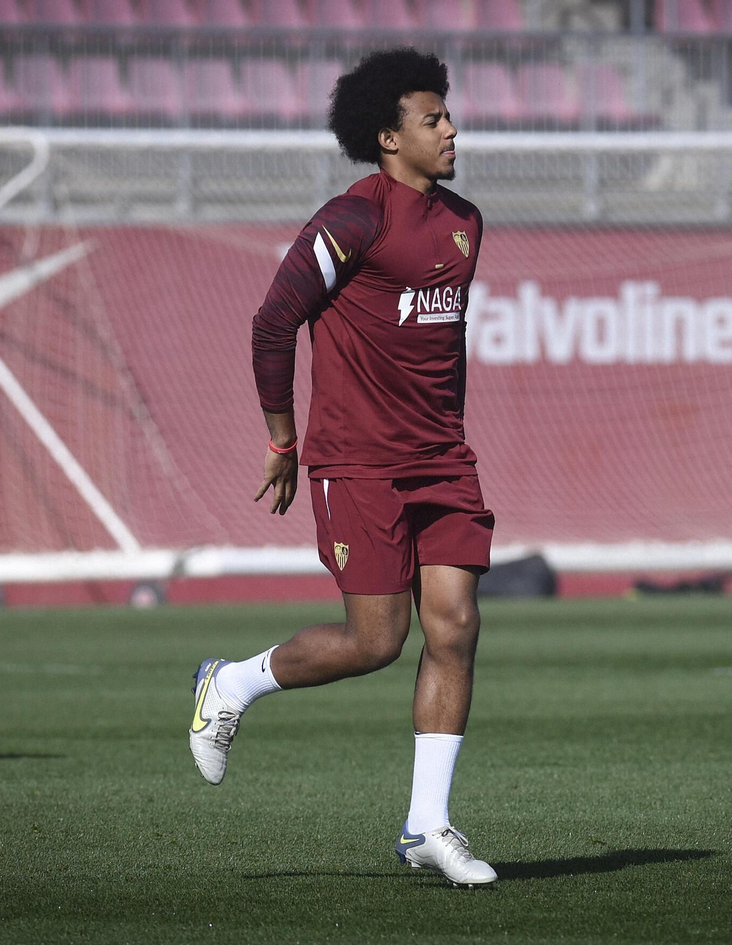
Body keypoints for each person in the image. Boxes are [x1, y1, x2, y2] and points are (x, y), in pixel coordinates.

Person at [187, 48, 497, 886]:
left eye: (446, 114)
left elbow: (442, 355)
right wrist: (285, 440)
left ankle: (428, 825)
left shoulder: (466, 221)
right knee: (377, 641)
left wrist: (446, 437)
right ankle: (233, 681)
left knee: (456, 625)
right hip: (358, 462)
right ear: (388, 137)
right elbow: (271, 324)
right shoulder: (351, 222)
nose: (450, 128)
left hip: (442, 459)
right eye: (432, 119)